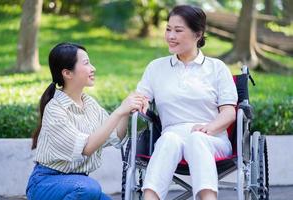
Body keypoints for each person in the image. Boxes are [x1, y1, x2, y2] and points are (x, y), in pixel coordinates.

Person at [136, 5, 238, 200]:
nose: (170, 36)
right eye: (168, 29)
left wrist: (208, 128)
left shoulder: (216, 68)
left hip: (212, 138)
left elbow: (229, 113)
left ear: (198, 34)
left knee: (196, 139)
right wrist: (141, 103)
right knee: (168, 140)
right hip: (172, 135)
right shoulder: (156, 68)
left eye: (178, 30)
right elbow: (142, 99)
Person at [26, 42, 145, 200]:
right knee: (89, 187)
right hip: (46, 183)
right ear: (68, 73)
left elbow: (116, 136)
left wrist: (125, 111)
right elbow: (86, 148)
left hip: (78, 185)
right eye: (86, 63)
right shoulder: (55, 109)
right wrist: (119, 111)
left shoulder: (89, 104)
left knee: (90, 190)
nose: (93, 68)